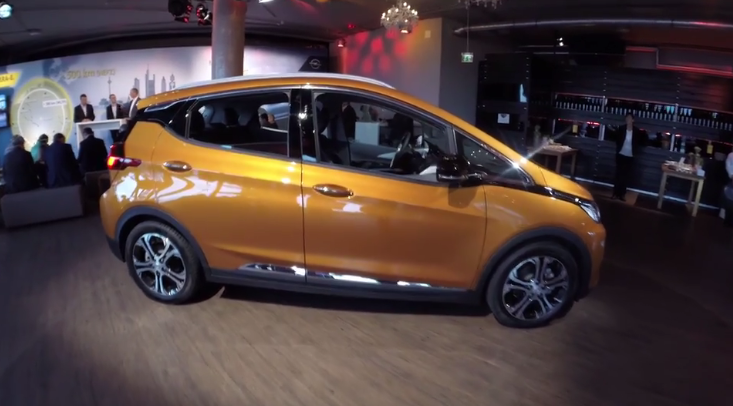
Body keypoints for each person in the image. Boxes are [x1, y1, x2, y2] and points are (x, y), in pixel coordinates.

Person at [612, 113, 646, 201]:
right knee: (618, 174)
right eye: (627, 118)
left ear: (633, 120)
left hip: (630, 156)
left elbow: (640, 142)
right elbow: (617, 139)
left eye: (630, 118)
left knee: (625, 176)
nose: (628, 120)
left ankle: (622, 194)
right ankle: (615, 193)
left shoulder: (636, 131)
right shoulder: (621, 129)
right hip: (620, 154)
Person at [723, 152, 733, 227]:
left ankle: (728, 220)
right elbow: (728, 165)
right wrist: (731, 175)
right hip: (731, 180)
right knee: (729, 199)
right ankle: (728, 220)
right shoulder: (731, 155)